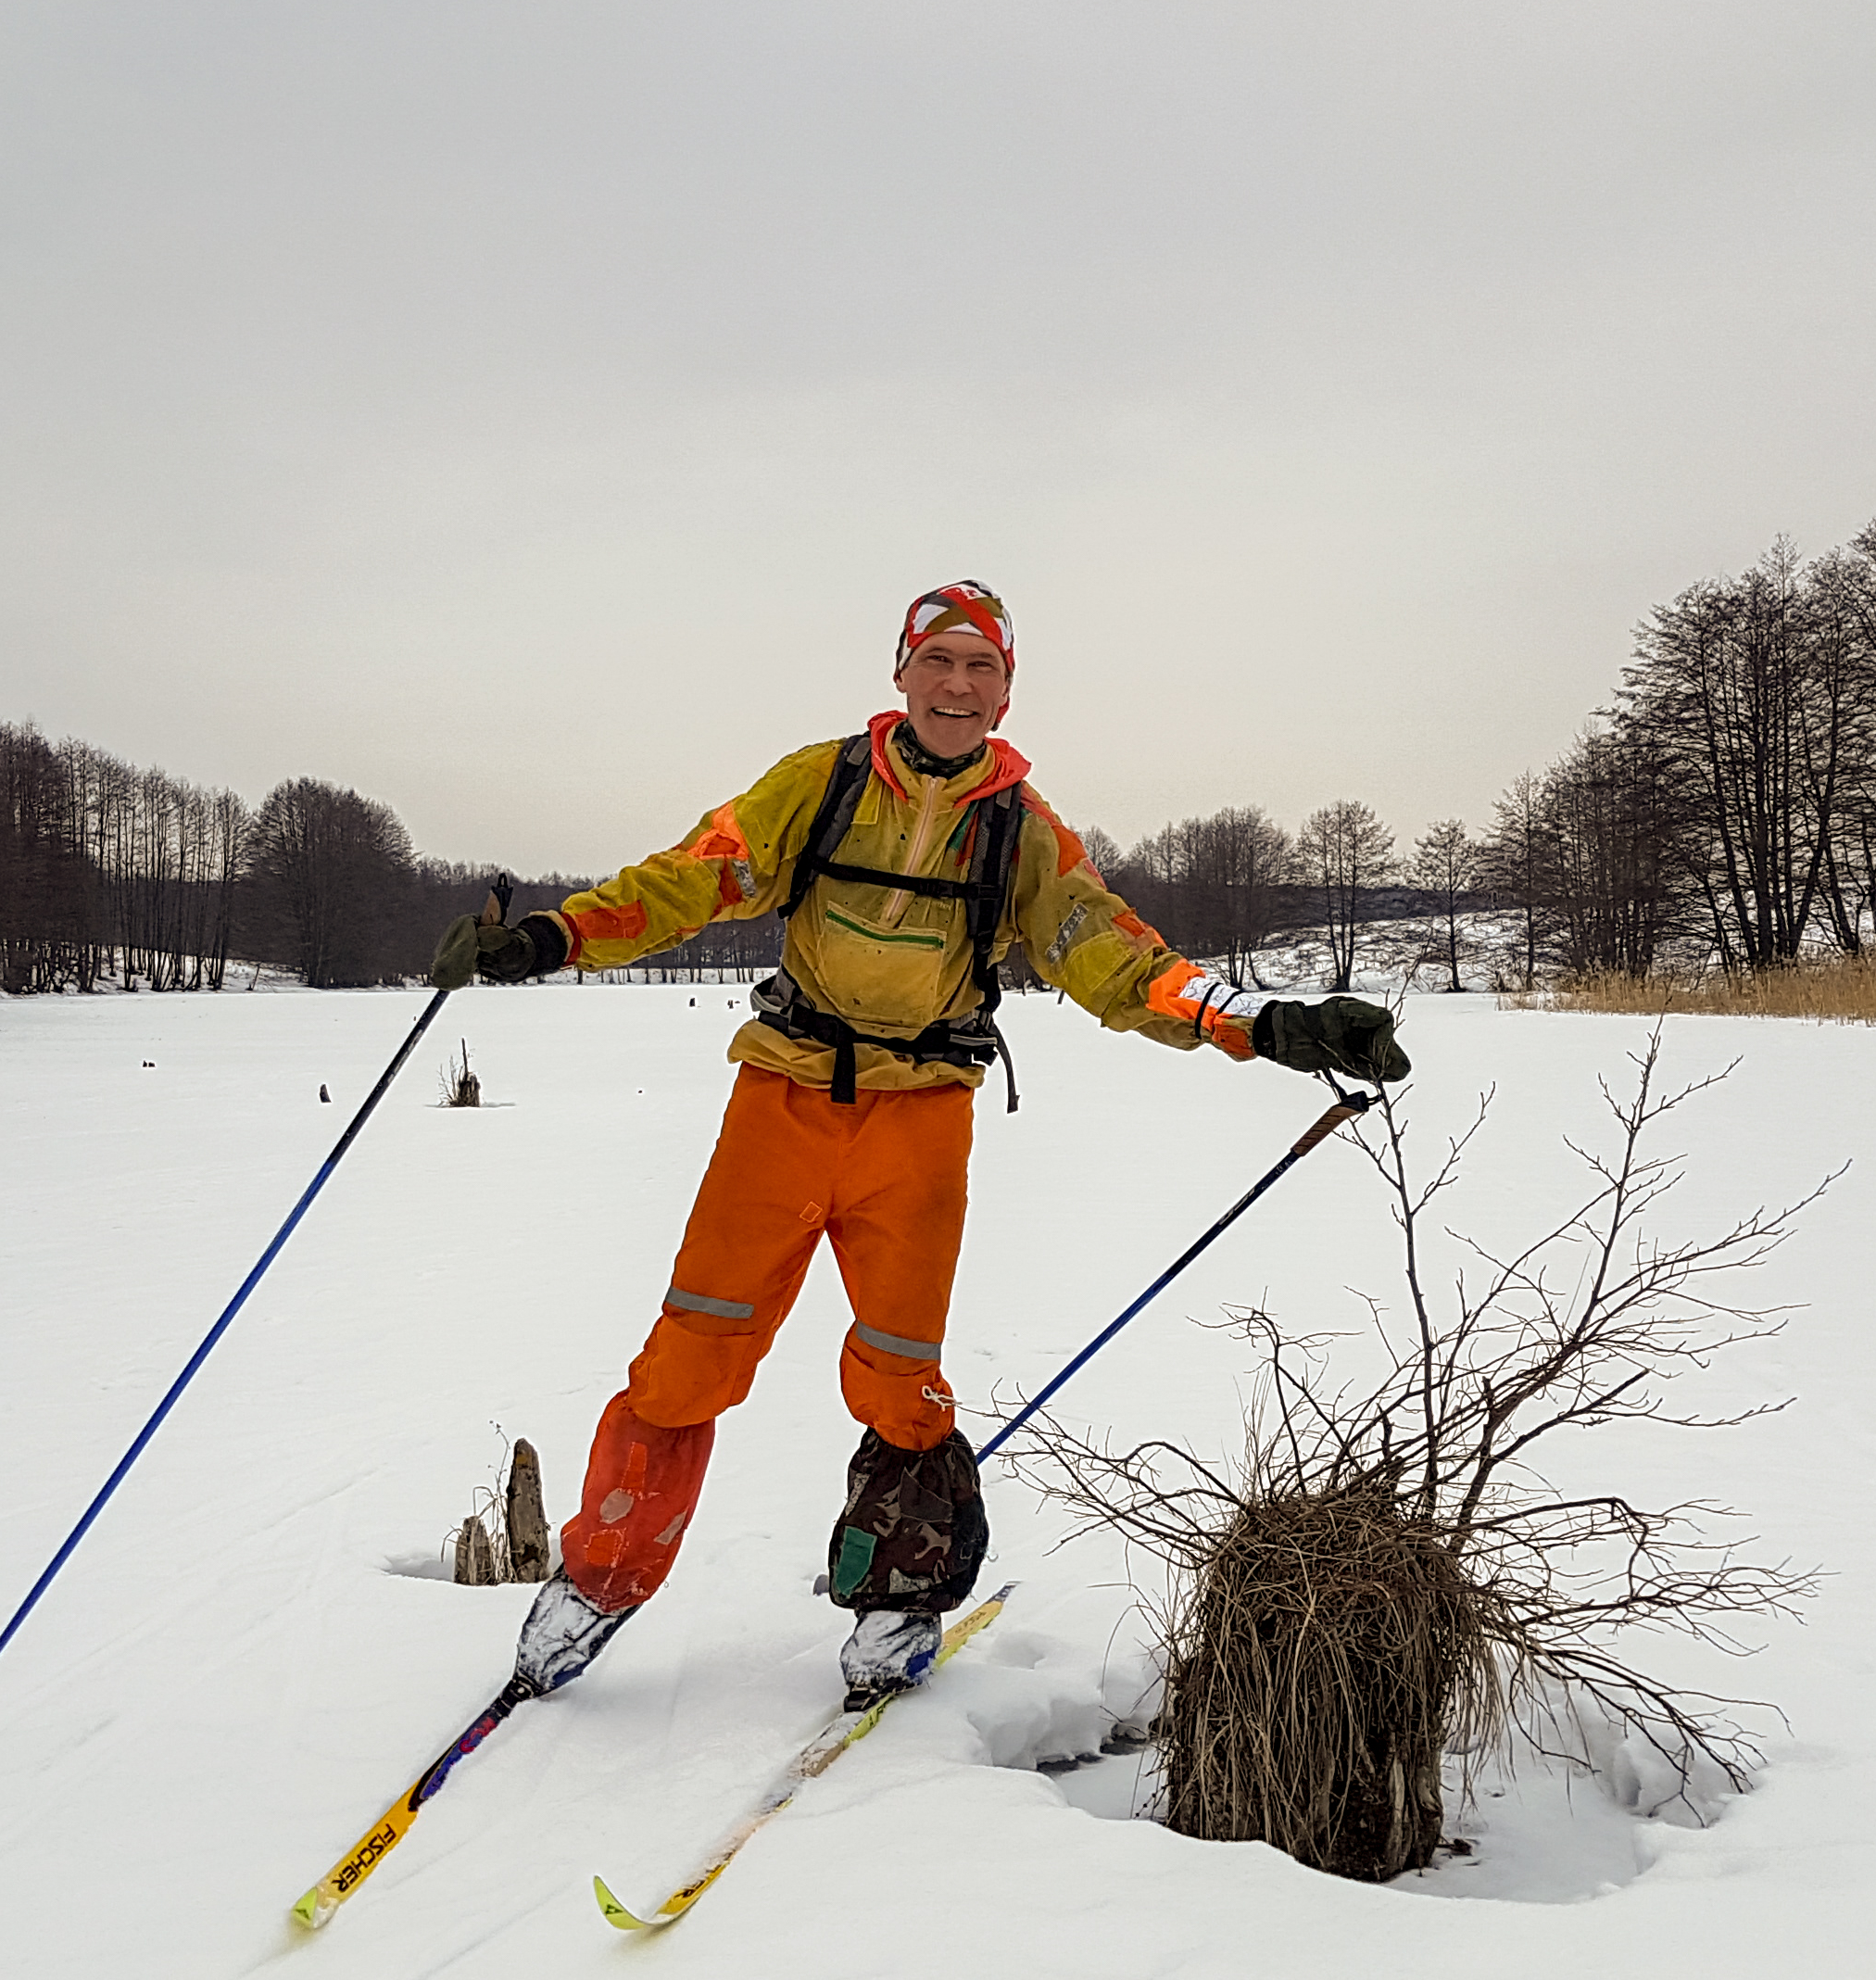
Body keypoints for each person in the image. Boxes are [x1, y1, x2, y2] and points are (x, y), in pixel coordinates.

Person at [433, 580, 1408, 1708]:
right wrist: (547, 939)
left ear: (1005, 689)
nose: (956, 685)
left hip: (921, 1121)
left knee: (902, 1380)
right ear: (902, 672)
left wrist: (1263, 1024)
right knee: (689, 1356)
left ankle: (899, 1596)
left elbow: (1115, 957)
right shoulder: (822, 785)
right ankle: (600, 1580)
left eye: (980, 667)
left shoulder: (1023, 831)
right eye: (937, 661)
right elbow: (690, 880)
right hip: (783, 1104)